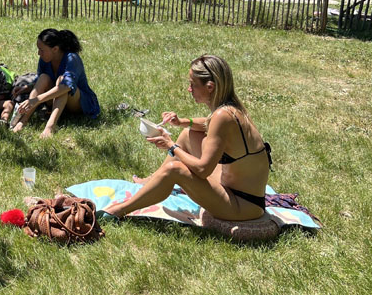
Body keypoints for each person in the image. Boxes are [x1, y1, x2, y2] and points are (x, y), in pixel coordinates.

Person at [99, 55, 272, 223]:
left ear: (210, 87)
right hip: (239, 191)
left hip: (242, 206)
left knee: (175, 169)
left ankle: (118, 210)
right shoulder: (231, 109)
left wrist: (171, 147)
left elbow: (203, 170)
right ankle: (152, 181)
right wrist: (182, 122)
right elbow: (209, 124)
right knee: (188, 134)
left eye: (193, 84)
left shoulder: (222, 116)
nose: (189, 89)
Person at [12, 29, 100, 139]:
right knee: (43, 77)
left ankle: (50, 126)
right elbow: (40, 81)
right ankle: (23, 120)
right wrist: (26, 88)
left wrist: (36, 100)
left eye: (42, 50)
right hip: (56, 103)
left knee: (61, 80)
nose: (39, 53)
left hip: (78, 104)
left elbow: (66, 86)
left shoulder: (72, 58)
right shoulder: (44, 60)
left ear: (55, 49)